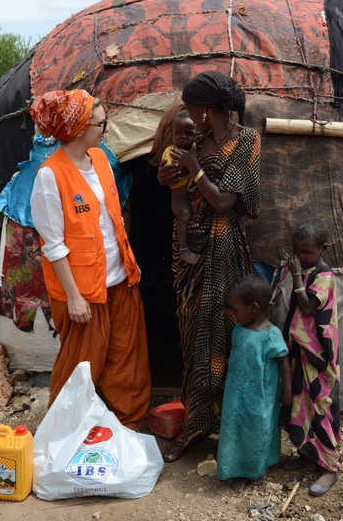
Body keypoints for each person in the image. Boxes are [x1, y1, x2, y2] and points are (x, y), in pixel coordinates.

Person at [29, 89, 151, 430]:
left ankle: (127, 430)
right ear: (80, 128)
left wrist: (129, 261)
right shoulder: (50, 177)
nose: (106, 129)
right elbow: (53, 246)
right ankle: (63, 435)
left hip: (119, 279)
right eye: (101, 122)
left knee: (127, 360)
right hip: (84, 292)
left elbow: (114, 219)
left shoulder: (101, 160)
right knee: (80, 367)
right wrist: (73, 297)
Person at [157, 70, 261, 462]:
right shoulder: (196, 140)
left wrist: (194, 169)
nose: (188, 115)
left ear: (204, 109)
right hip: (188, 253)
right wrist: (169, 176)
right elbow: (180, 185)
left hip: (222, 250)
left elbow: (224, 202)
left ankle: (228, 429)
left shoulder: (245, 140)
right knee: (190, 340)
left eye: (191, 108)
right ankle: (195, 425)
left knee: (221, 336)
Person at [280, 219, 341, 496]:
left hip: (318, 356)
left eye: (307, 252)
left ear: (323, 248)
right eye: (297, 251)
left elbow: (306, 309)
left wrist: (294, 276)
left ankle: (330, 468)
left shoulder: (324, 276)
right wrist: (295, 273)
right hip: (300, 353)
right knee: (301, 403)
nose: (301, 257)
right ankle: (308, 451)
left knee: (321, 406)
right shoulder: (305, 270)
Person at [217, 274, 290, 493]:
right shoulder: (239, 328)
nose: (234, 314)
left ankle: (256, 469)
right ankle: (236, 467)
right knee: (234, 428)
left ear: (254, 308)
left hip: (260, 396)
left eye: (236, 309)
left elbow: (284, 362)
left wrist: (287, 391)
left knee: (259, 430)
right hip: (236, 394)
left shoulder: (271, 335)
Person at [160, 109, 199, 264]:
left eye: (189, 133)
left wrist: (192, 157)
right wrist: (189, 163)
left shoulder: (196, 150)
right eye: (178, 133)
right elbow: (174, 172)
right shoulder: (170, 152)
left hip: (196, 196)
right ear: (172, 134)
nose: (183, 137)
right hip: (180, 196)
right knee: (184, 214)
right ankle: (184, 250)